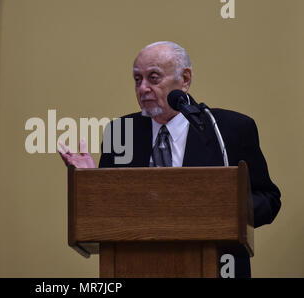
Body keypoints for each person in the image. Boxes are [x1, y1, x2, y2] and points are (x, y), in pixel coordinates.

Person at [58, 41, 281, 278]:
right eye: (137, 79)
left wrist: (226, 210)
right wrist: (91, 183)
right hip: (137, 267)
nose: (143, 88)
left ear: (185, 79)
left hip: (216, 267)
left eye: (153, 78)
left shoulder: (227, 129)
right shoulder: (121, 133)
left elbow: (268, 199)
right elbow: (108, 216)